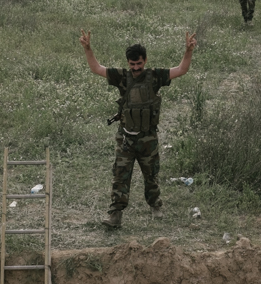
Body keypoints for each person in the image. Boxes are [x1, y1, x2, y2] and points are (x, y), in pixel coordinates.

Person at [80, 30, 198, 228]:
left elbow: (181, 70)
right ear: (128, 63)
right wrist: (88, 48)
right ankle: (115, 215)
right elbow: (96, 68)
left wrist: (188, 51)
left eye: (139, 64)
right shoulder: (122, 77)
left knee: (151, 175)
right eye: (132, 64)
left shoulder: (155, 77)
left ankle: (155, 205)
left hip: (148, 139)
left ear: (145, 61)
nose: (136, 68)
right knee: (120, 176)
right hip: (126, 138)